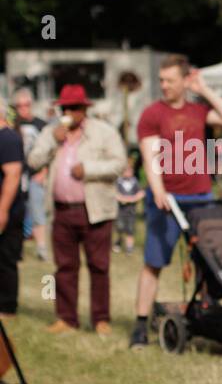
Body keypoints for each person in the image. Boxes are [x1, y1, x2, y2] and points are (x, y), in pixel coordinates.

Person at [130, 55, 222, 349]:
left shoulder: (198, 110)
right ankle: (140, 326)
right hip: (167, 199)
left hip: (200, 197)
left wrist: (204, 89)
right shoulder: (153, 113)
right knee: (154, 262)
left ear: (184, 81)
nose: (164, 85)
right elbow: (150, 155)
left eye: (169, 80)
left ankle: (204, 312)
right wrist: (157, 189)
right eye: (162, 80)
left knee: (207, 260)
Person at [26, 85, 126, 335]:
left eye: (73, 107)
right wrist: (52, 141)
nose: (68, 111)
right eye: (65, 107)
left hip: (95, 209)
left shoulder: (103, 132)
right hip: (61, 210)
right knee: (64, 267)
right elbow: (33, 160)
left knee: (99, 266)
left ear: (84, 109)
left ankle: (100, 318)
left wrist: (89, 169)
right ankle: (66, 317)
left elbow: (119, 163)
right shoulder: (51, 132)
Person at [13, 89, 49, 262]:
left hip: (35, 176)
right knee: (17, 213)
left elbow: (51, 150)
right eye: (19, 105)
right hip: (16, 176)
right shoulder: (12, 125)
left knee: (37, 211)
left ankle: (41, 248)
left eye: (26, 105)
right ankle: (16, 249)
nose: (23, 108)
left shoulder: (41, 124)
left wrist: (44, 172)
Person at [0, 101, 24, 319]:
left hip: (9, 209)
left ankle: (7, 307)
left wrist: (3, 210)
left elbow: (13, 175)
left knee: (6, 258)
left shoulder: (8, 138)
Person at [113, 165, 144, 254]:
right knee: (119, 227)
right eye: (126, 171)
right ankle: (118, 241)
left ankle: (129, 247)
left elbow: (141, 193)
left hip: (131, 211)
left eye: (130, 171)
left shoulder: (135, 182)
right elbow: (114, 193)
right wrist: (122, 198)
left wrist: (133, 198)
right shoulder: (118, 182)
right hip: (120, 211)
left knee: (130, 229)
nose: (128, 173)